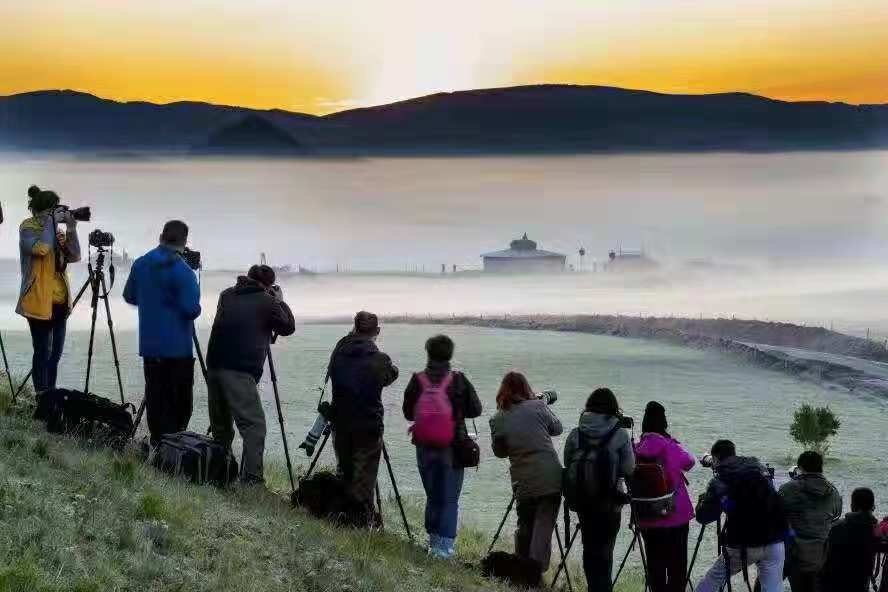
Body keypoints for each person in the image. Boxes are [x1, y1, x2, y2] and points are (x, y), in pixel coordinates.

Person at [206, 264, 295, 485]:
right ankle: (252, 481)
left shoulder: (226, 295)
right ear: (268, 285)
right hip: (239, 370)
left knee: (221, 426)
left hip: (215, 366)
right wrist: (280, 301)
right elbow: (287, 327)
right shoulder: (267, 302)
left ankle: (220, 473)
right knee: (254, 427)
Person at [402, 334, 482, 558]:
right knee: (449, 499)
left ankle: (433, 542)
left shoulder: (417, 380)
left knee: (433, 495)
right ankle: (444, 549)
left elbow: (408, 413)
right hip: (452, 447)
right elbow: (476, 409)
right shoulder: (459, 380)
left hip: (424, 445)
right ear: (450, 354)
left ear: (428, 353)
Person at [123, 220, 201, 445]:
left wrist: (153, 301)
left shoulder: (141, 263)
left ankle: (156, 445)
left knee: (156, 401)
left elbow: (130, 296)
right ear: (184, 241)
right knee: (179, 406)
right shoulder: (184, 271)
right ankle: (173, 449)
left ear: (161, 236)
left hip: (150, 346)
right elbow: (191, 309)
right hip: (177, 349)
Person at [328, 311, 399, 525]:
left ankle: (342, 515)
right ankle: (359, 522)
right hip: (368, 425)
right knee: (364, 477)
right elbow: (390, 375)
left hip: (340, 421)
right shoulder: (379, 359)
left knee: (345, 471)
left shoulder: (339, 351)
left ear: (354, 328)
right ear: (377, 331)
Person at [488, 371, 563, 575]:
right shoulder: (538, 406)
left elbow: (500, 453)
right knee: (543, 525)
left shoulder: (497, 418)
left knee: (525, 524)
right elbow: (557, 428)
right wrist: (542, 404)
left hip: (523, 481)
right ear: (526, 388)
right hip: (550, 478)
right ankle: (534, 572)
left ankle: (520, 568)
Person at [563, 387, 636, 592]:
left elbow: (568, 462)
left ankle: (593, 587)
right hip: (609, 503)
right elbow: (629, 468)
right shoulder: (620, 434)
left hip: (583, 500)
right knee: (605, 551)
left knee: (589, 548)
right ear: (613, 408)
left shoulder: (576, 433)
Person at [695, 440, 788, 592]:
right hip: (775, 539)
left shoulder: (721, 479)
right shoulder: (759, 468)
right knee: (773, 587)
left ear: (715, 459)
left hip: (743, 544)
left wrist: (703, 500)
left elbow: (704, 517)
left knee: (713, 579)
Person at [17, 185, 81, 394]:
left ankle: (51, 395)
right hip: (37, 301)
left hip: (60, 301)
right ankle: (41, 397)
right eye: (52, 210)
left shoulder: (56, 230)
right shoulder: (27, 228)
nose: (56, 214)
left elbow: (74, 256)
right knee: (43, 352)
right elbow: (42, 249)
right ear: (40, 210)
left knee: (55, 355)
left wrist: (71, 229)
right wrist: (52, 224)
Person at [634, 401, 696, 592]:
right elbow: (690, 462)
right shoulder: (670, 446)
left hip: (648, 516)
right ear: (664, 423)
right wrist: (674, 443)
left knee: (655, 568)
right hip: (675, 516)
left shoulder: (634, 448)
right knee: (677, 568)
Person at [778, 451, 842, 592]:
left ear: (800, 467)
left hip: (791, 552)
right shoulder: (833, 491)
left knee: (766, 581)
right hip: (819, 554)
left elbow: (775, 513)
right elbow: (836, 515)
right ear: (821, 467)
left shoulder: (789, 488)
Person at [821, 487, 879, 592]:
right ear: (872, 507)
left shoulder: (836, 527)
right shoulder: (875, 530)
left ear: (852, 506)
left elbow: (825, 558)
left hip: (833, 582)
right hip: (859, 584)